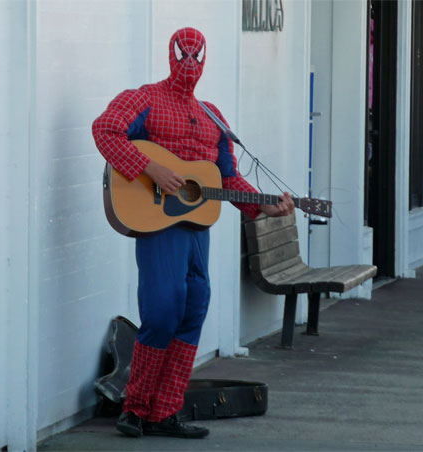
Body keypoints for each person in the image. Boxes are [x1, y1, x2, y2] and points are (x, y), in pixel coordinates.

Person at [92, 27, 294, 439]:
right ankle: (134, 407)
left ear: (206, 59)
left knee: (193, 307)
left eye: (197, 56)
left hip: (195, 226)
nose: (189, 64)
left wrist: (262, 203)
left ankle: (165, 412)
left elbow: (228, 177)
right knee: (162, 310)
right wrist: (150, 168)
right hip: (157, 223)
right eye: (182, 54)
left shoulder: (213, 115)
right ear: (170, 54)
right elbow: (105, 130)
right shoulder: (144, 98)